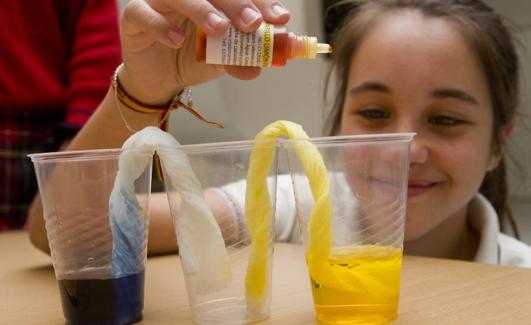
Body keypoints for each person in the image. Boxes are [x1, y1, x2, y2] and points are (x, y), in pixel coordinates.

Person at [27, 0, 531, 267]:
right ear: (335, 124)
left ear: (497, 143)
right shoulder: (295, 205)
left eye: (445, 120)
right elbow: (68, 234)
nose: (403, 150)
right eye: (374, 113)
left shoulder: (517, 281)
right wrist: (144, 87)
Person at [0, 0, 121, 230]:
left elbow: (96, 52)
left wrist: (81, 140)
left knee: (63, 240)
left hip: (48, 143)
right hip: (33, 142)